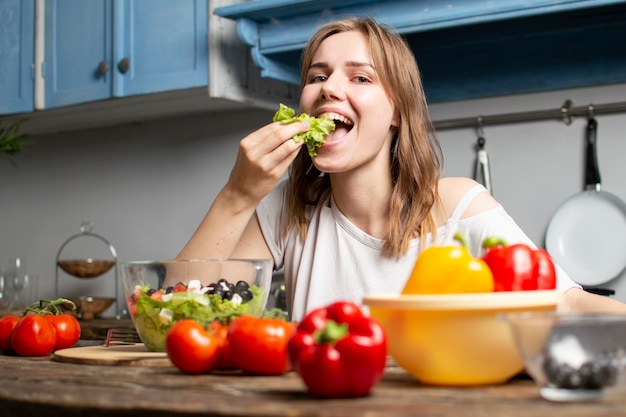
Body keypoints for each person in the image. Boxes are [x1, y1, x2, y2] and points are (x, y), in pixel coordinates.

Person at [177, 16, 626, 321]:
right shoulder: (288, 211)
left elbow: (566, 302)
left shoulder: (455, 205)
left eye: (360, 77)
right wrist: (238, 194)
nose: (329, 87)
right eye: (317, 76)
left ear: (396, 113)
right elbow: (179, 311)